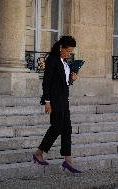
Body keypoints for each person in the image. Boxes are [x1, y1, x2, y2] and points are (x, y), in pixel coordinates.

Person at [33, 36, 82, 173]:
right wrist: (47, 102)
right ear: (61, 48)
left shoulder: (65, 62)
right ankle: (39, 153)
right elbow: (46, 82)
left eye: (71, 52)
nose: (69, 54)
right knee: (56, 128)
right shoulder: (52, 60)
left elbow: (64, 83)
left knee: (67, 129)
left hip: (64, 100)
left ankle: (68, 160)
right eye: (68, 51)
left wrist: (72, 78)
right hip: (54, 100)